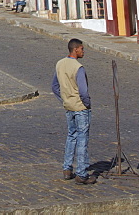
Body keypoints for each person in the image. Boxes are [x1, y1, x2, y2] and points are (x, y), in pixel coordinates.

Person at [51, 38, 96, 184]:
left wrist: (64, 99)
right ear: (75, 49)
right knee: (82, 139)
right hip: (80, 107)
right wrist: (87, 103)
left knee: (71, 136)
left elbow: (55, 87)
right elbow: (83, 91)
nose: (83, 51)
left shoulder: (60, 64)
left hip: (68, 106)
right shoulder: (78, 67)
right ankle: (81, 174)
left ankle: (67, 168)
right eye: (82, 49)